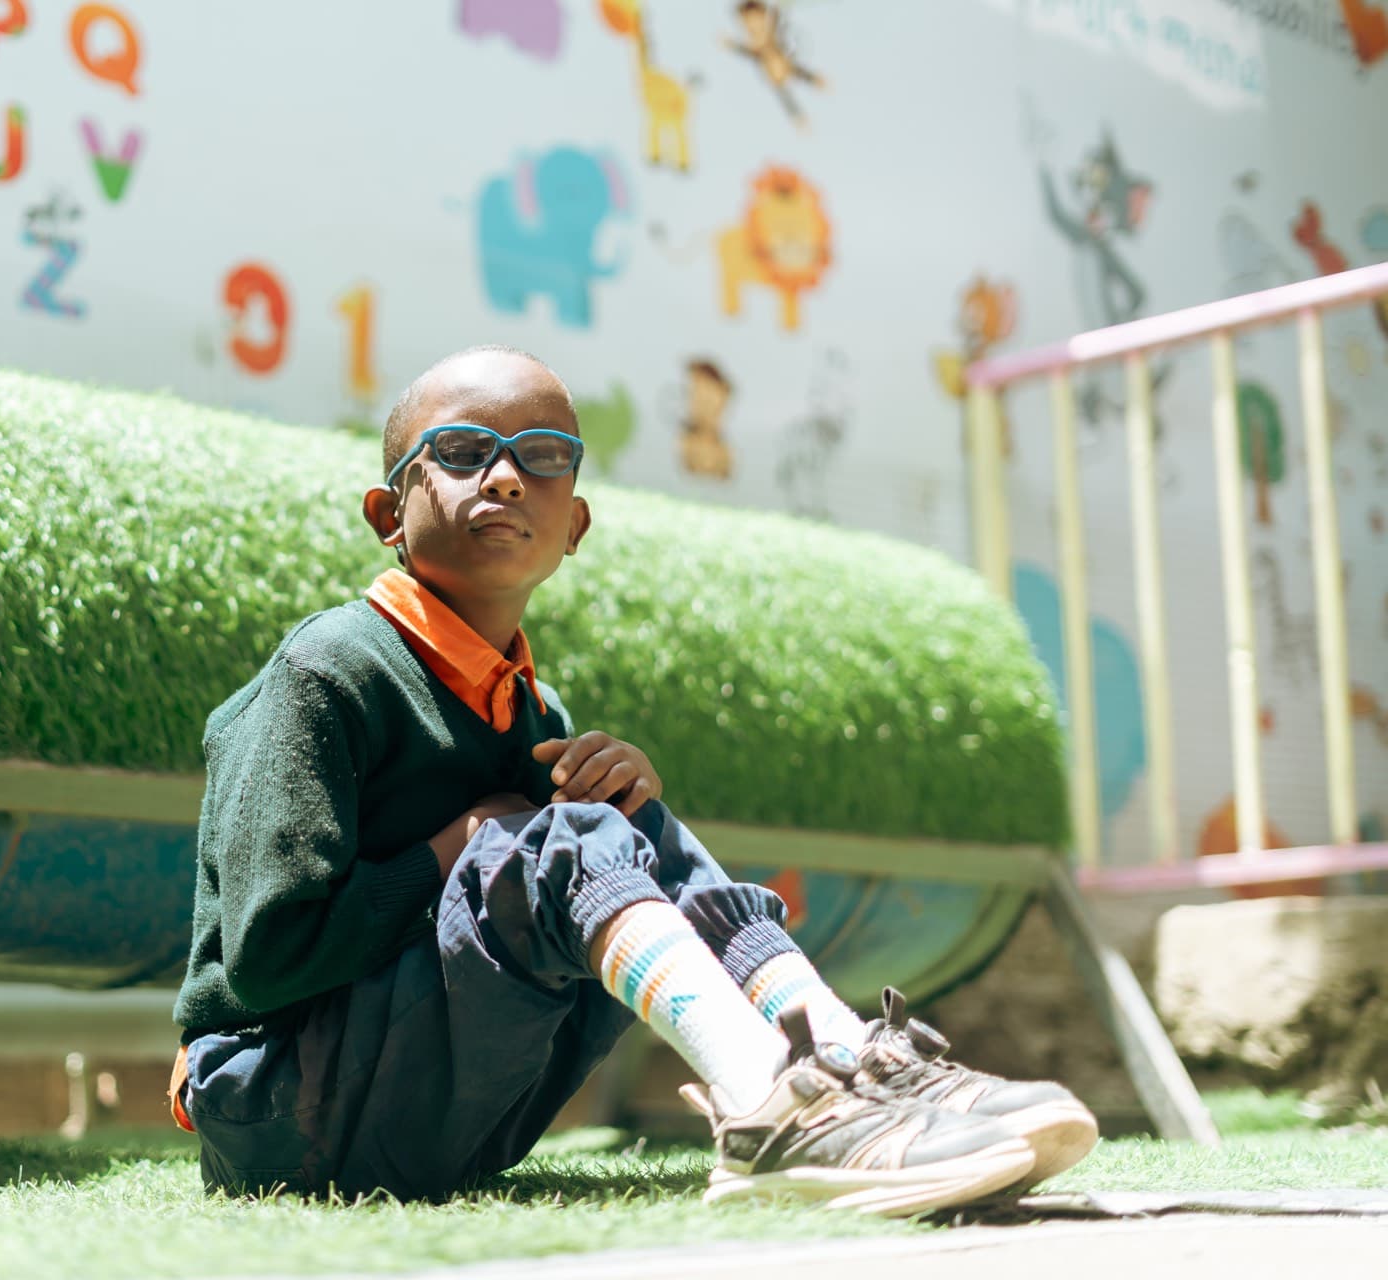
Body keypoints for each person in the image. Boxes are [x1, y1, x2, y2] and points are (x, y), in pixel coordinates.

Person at [168, 346, 1096, 1215]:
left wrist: (613, 819)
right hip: (278, 1108)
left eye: (541, 457)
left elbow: (548, 866)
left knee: (621, 814)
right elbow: (269, 958)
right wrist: (462, 845)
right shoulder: (330, 671)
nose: (504, 477)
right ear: (387, 514)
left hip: (439, 1103)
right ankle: (768, 1102)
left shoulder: (533, 712)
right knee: (573, 835)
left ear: (573, 526)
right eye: (461, 452)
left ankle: (846, 1059)